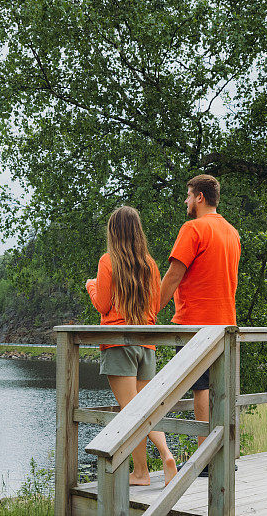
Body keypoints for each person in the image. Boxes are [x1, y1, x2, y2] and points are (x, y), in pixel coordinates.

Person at [85, 206, 178, 487]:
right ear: (138, 232)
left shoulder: (107, 261)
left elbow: (102, 305)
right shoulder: (149, 263)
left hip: (118, 344)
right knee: (142, 409)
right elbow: (154, 306)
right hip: (146, 344)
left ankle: (164, 454)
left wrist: (91, 285)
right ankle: (142, 473)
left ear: (113, 232)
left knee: (132, 412)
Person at [159, 174, 241, 464]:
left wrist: (150, 312)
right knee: (221, 390)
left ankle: (205, 458)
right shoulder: (232, 233)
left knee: (201, 389)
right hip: (226, 324)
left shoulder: (193, 229)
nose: (186, 201)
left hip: (195, 324)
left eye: (188, 195)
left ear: (200, 198)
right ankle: (225, 455)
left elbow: (172, 277)